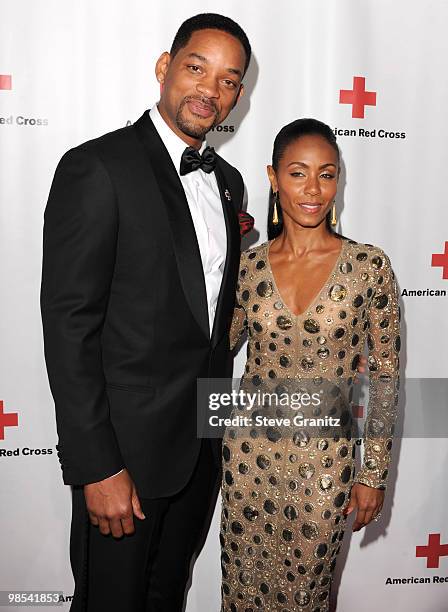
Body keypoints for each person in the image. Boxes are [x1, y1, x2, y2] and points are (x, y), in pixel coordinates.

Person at [40, 13, 252, 612]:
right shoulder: (97, 168)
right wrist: (96, 465)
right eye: (196, 68)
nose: (211, 90)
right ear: (164, 68)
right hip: (123, 463)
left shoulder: (230, 183)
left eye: (229, 80)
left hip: (199, 452)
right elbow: (68, 327)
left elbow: (208, 326)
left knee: (166, 599)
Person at [220, 118, 400, 611]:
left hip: (325, 464)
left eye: (327, 173)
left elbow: (385, 378)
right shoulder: (248, 266)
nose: (313, 189)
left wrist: (373, 473)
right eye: (298, 173)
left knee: (306, 596)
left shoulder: (369, 266)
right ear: (273, 178)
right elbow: (216, 346)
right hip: (247, 463)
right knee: (241, 592)